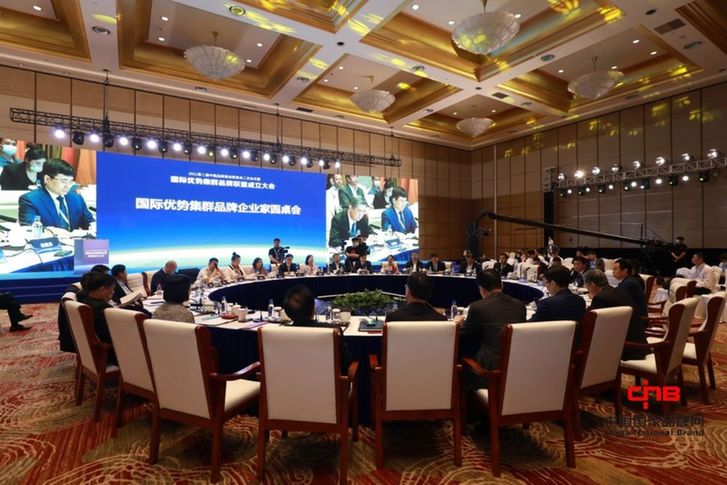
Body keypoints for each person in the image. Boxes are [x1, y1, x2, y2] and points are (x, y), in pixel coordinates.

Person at [458, 270, 527, 385]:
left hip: (489, 374)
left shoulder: (477, 307)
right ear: (502, 285)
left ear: (481, 289)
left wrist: (456, 323)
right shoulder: (520, 305)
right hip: (517, 369)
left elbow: (463, 334)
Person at [282, 284, 352, 374]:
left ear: (287, 312)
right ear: (313, 308)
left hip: (288, 382)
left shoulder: (277, 334)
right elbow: (347, 363)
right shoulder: (333, 331)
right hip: (327, 382)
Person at [584, 270, 648, 361]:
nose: (587, 289)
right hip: (639, 344)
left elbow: (589, 320)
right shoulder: (617, 291)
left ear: (592, 284)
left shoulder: (601, 298)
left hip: (626, 349)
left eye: (586, 285)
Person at [18, 158, 94, 231]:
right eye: (64, 181)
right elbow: (29, 228)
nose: (68, 186)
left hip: (74, 239)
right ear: (47, 179)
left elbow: (89, 223)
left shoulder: (76, 198)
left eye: (70, 181)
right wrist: (51, 231)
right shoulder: (30, 200)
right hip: (49, 239)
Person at [76, 272, 118, 364]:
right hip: (110, 353)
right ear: (102, 290)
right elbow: (110, 336)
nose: (113, 292)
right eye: (112, 289)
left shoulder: (85, 300)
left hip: (92, 350)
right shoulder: (101, 308)